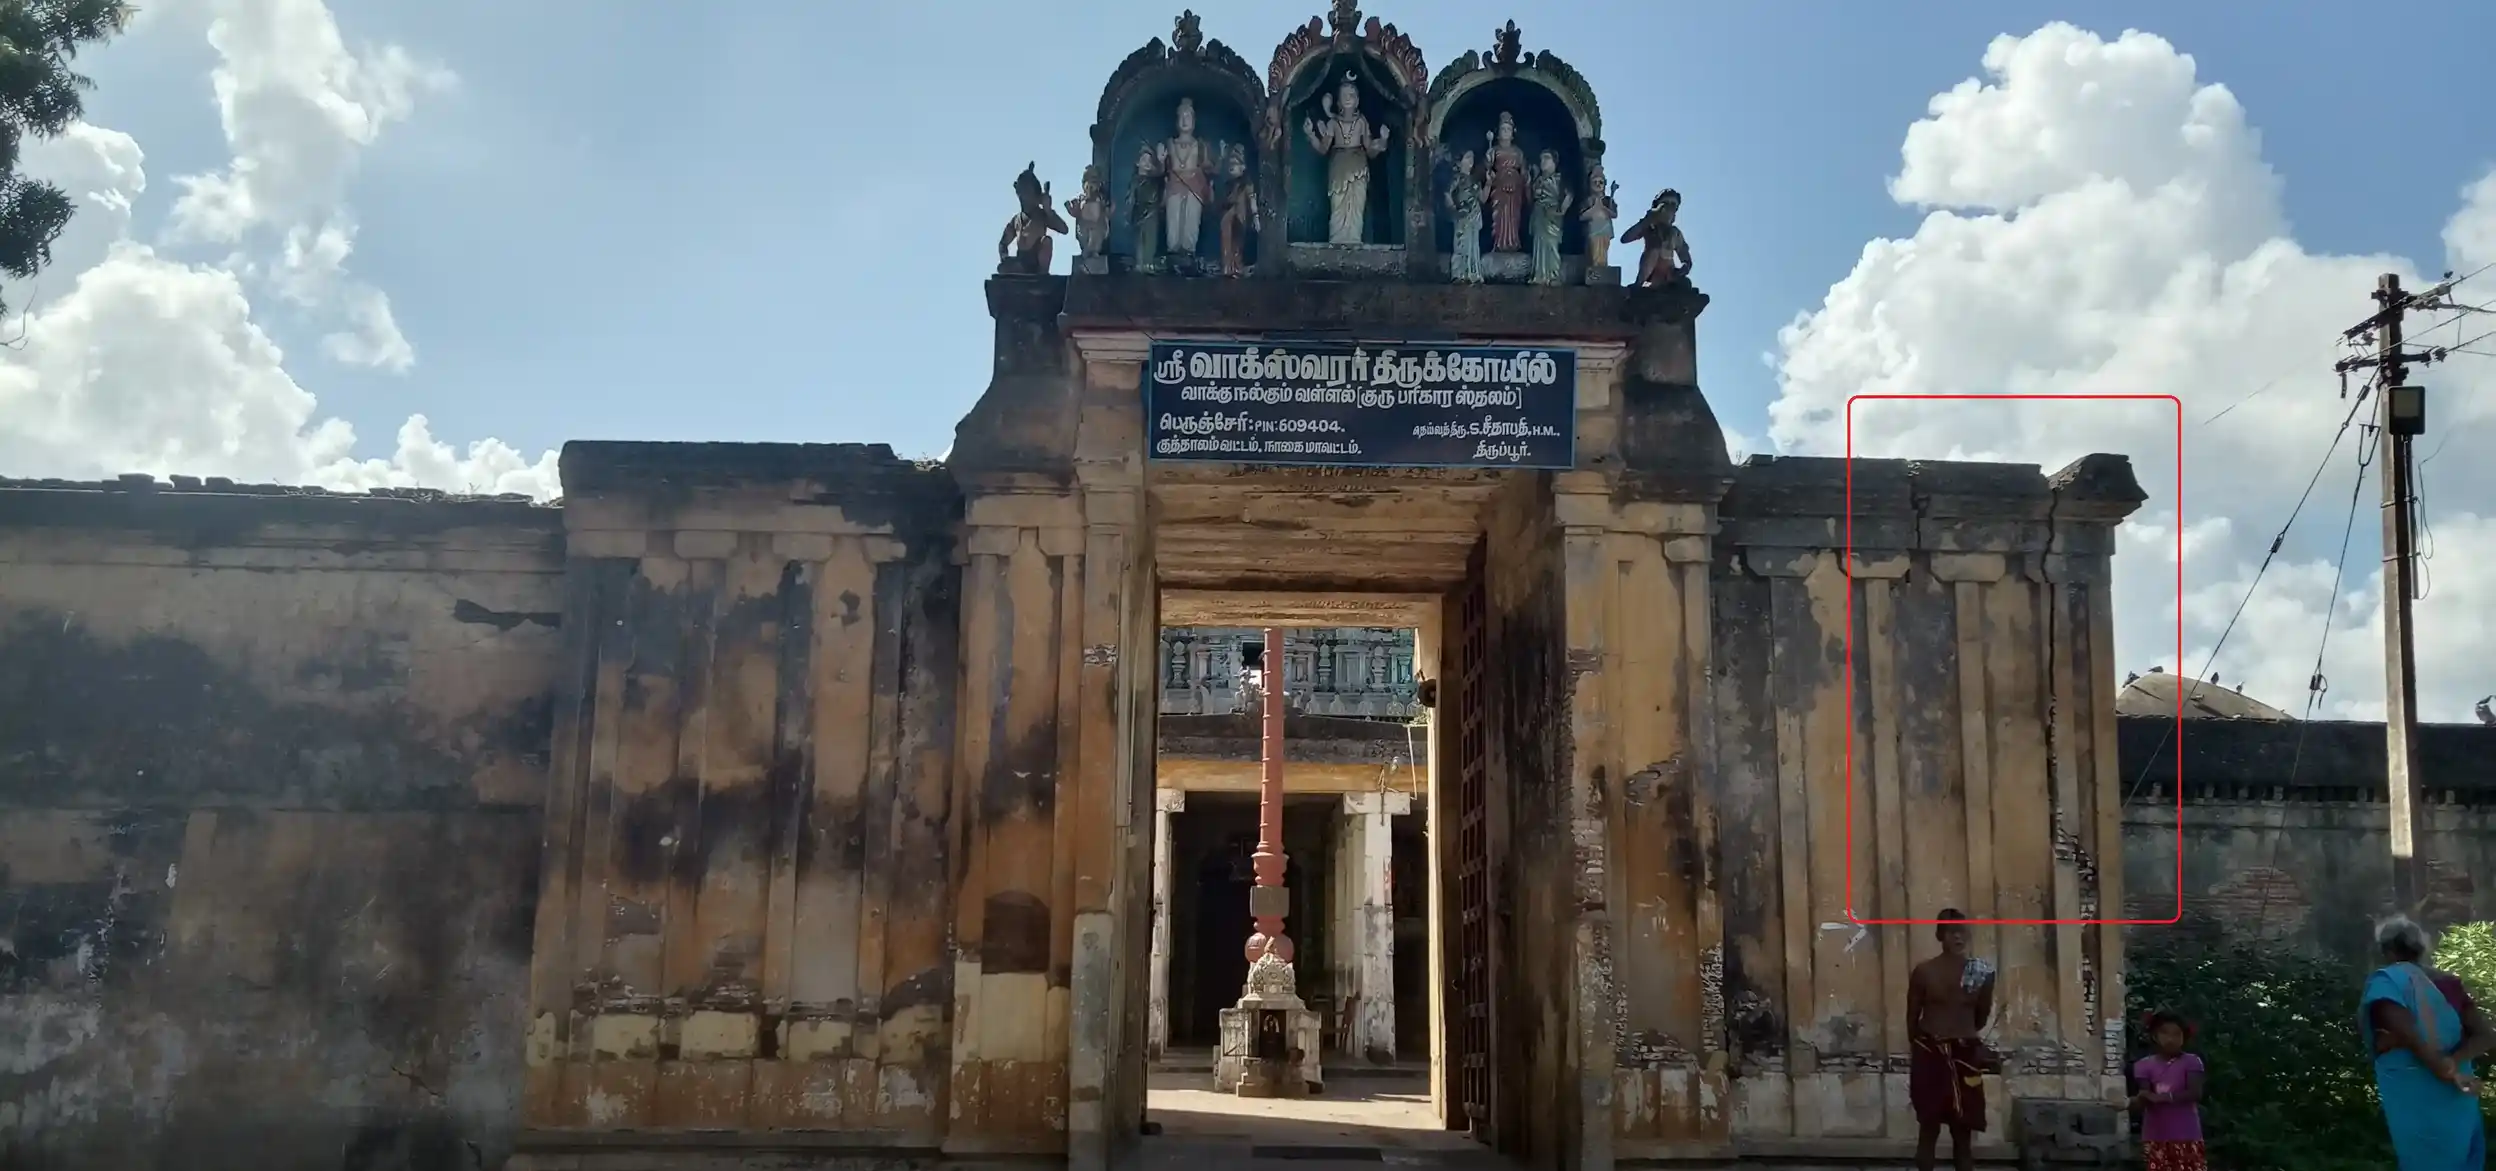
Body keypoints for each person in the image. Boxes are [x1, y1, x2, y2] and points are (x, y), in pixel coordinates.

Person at [2360, 914, 2486, 1169]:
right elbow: (2486, 1035)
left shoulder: (2389, 981)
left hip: (2416, 1096)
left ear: (2388, 950)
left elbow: (2409, 1035)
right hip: (2458, 1093)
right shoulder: (2448, 984)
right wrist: (2453, 1062)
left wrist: (2440, 1066)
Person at [1908, 909, 1997, 1171]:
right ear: (1940, 936)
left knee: (1963, 1132)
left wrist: (1957, 1033)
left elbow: (1980, 1017)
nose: (1958, 937)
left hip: (1963, 1055)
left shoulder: (1980, 973)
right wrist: (1924, 1046)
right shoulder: (1924, 972)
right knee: (1929, 1128)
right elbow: (1912, 1017)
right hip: (1932, 1052)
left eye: (1962, 931)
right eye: (1951, 932)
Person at [2131, 1009, 2206, 1171]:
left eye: (2177, 1034)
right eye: (2165, 1033)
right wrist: (2136, 1101)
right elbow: (2144, 1098)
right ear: (2154, 1036)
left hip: (2187, 1135)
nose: (2170, 1039)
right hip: (2155, 1135)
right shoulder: (2143, 1065)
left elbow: (2195, 1093)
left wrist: (2164, 1097)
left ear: (2184, 1038)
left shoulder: (2191, 1061)